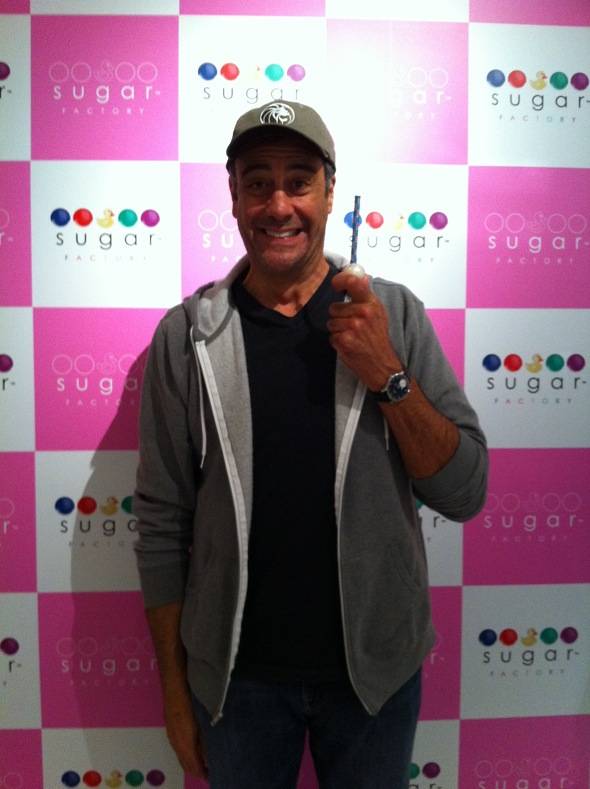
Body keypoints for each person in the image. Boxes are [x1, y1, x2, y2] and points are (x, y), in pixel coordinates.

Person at [134, 100, 488, 788]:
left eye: (298, 180)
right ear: (233, 197)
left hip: (374, 678)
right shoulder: (186, 337)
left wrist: (386, 370)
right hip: (236, 684)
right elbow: (161, 525)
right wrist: (175, 696)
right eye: (258, 182)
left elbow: (463, 491)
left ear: (330, 192)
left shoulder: (393, 316)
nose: (279, 205)